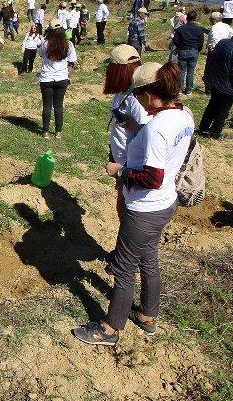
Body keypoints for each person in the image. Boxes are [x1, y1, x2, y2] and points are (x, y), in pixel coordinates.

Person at [72, 62, 193, 346]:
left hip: (144, 208)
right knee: (149, 259)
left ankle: (110, 329)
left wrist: (120, 170)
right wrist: (135, 125)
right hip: (165, 204)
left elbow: (151, 177)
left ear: (150, 94)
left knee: (124, 268)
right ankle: (147, 315)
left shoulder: (157, 129)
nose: (136, 99)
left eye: (138, 95)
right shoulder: (182, 116)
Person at [103, 44, 149, 218]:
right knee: (122, 202)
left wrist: (124, 170)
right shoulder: (123, 92)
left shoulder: (137, 99)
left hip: (130, 164)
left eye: (111, 68)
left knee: (128, 210)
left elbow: (146, 134)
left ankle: (125, 244)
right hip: (121, 160)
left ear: (119, 71)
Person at [200, 28, 233, 139]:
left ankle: (203, 128)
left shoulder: (223, 42)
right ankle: (215, 132)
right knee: (223, 110)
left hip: (215, 80)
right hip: (226, 85)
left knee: (212, 105)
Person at [37, 20, 77, 139]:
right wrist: (69, 76)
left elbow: (39, 54)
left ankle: (45, 132)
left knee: (47, 105)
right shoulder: (68, 44)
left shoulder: (45, 43)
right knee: (59, 105)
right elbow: (71, 63)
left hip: (47, 78)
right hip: (62, 78)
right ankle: (58, 132)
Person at [172, 11, 206, 95]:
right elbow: (201, 42)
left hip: (183, 50)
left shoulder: (180, 29)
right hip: (194, 50)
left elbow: (175, 40)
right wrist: (198, 50)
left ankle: (179, 89)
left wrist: (180, 46)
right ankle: (189, 90)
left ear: (187, 18)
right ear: (195, 18)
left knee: (181, 71)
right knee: (191, 72)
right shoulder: (199, 30)